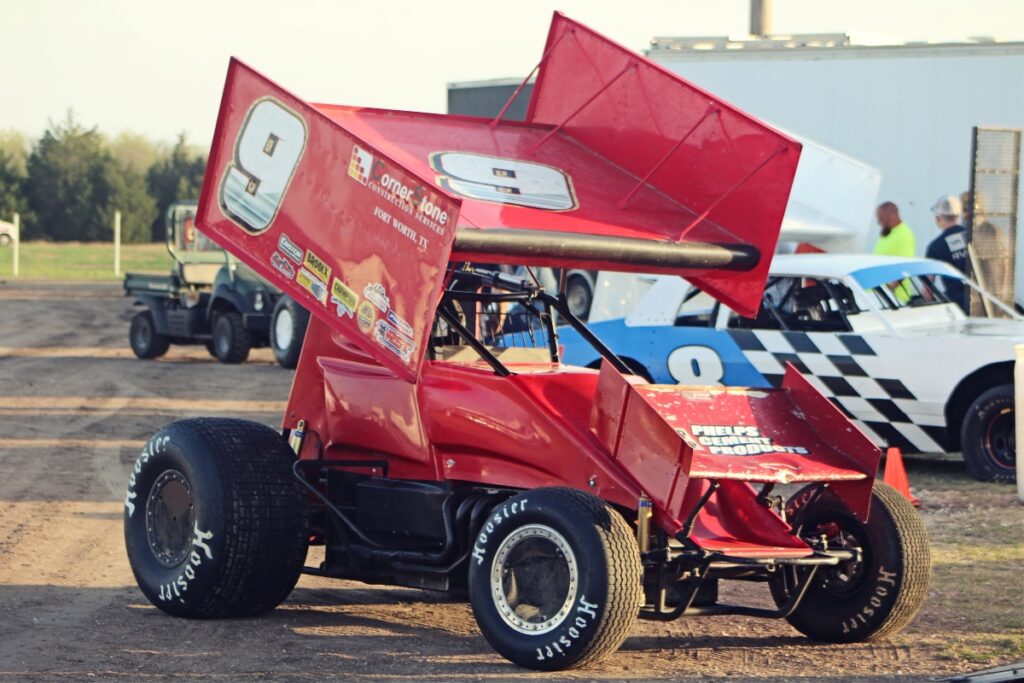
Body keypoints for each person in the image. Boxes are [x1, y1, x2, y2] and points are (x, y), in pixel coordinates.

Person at [926, 195, 970, 313]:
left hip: (958, 309)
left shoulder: (936, 246)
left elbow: (928, 287)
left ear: (938, 218)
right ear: (959, 216)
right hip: (983, 303)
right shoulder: (975, 237)